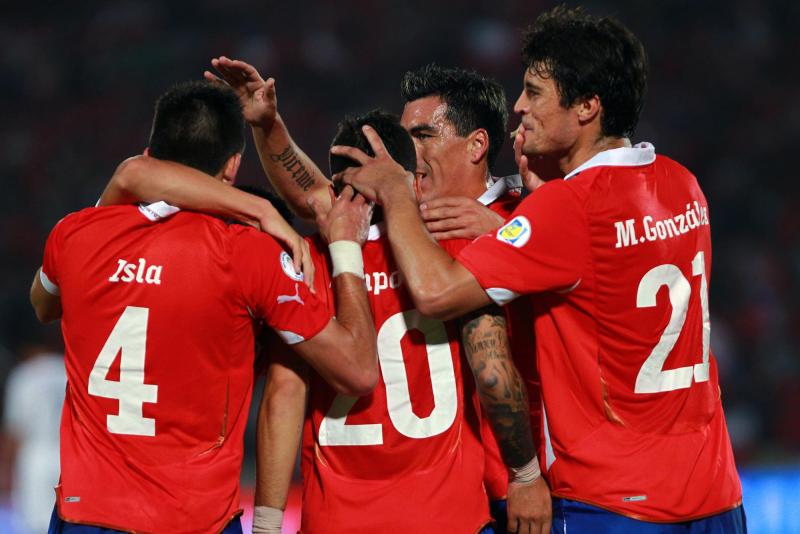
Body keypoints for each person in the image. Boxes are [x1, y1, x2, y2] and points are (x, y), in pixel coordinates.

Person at [334, 6, 746, 533]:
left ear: (587, 107)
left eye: (534, 91)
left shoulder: (567, 209)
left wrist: (394, 190)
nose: (520, 108)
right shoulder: (682, 182)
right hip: (715, 489)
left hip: (617, 502)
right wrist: (514, 223)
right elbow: (604, 277)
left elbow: (437, 293)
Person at [101, 58, 548, 532]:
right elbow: (313, 194)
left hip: (521, 476)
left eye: (422, 137)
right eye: (406, 140)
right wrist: (269, 124)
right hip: (465, 499)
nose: (410, 158)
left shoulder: (318, 262)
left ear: (477, 144)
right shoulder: (455, 247)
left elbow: (284, 391)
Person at [29, 80, 378, 534]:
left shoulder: (73, 235)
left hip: (85, 515)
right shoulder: (246, 255)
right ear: (233, 166)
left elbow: (42, 304)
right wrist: (345, 249)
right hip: (194, 520)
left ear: (150, 152)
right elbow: (356, 370)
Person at [2, 345, 64, 533]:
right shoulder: (68, 370)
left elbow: (15, 430)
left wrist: (6, 469)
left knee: (33, 526)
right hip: (66, 459)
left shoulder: (25, 375)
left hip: (33, 460)